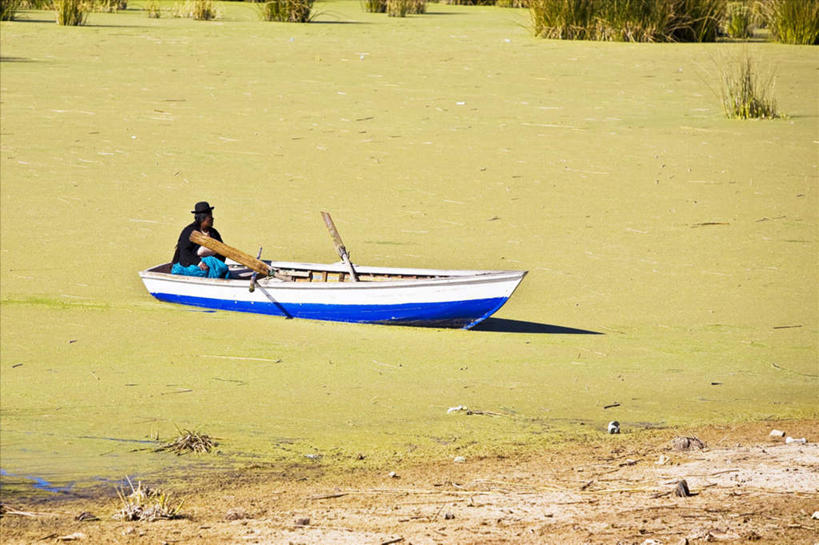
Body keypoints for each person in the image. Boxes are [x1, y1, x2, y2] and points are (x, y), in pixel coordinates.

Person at [171, 201, 230, 279]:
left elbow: (221, 251)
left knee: (222, 268)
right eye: (210, 216)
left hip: (208, 265)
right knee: (202, 270)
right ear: (202, 218)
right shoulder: (189, 231)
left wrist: (216, 264)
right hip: (189, 264)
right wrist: (199, 262)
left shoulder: (213, 233)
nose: (212, 218)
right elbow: (184, 253)